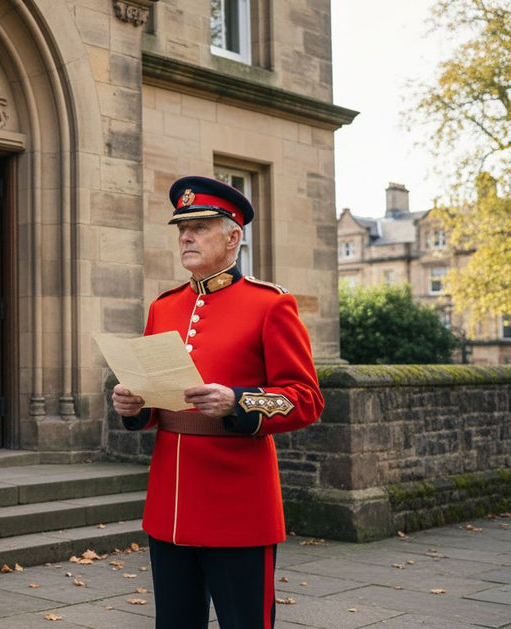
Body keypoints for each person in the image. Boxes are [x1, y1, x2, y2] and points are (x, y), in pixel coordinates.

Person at [111, 175, 324, 629]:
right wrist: (136, 407)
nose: (185, 236)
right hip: (169, 503)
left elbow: (305, 400)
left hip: (239, 503)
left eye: (200, 227)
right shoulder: (163, 307)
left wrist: (239, 401)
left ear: (233, 237)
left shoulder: (270, 305)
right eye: (181, 228)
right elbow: (155, 394)